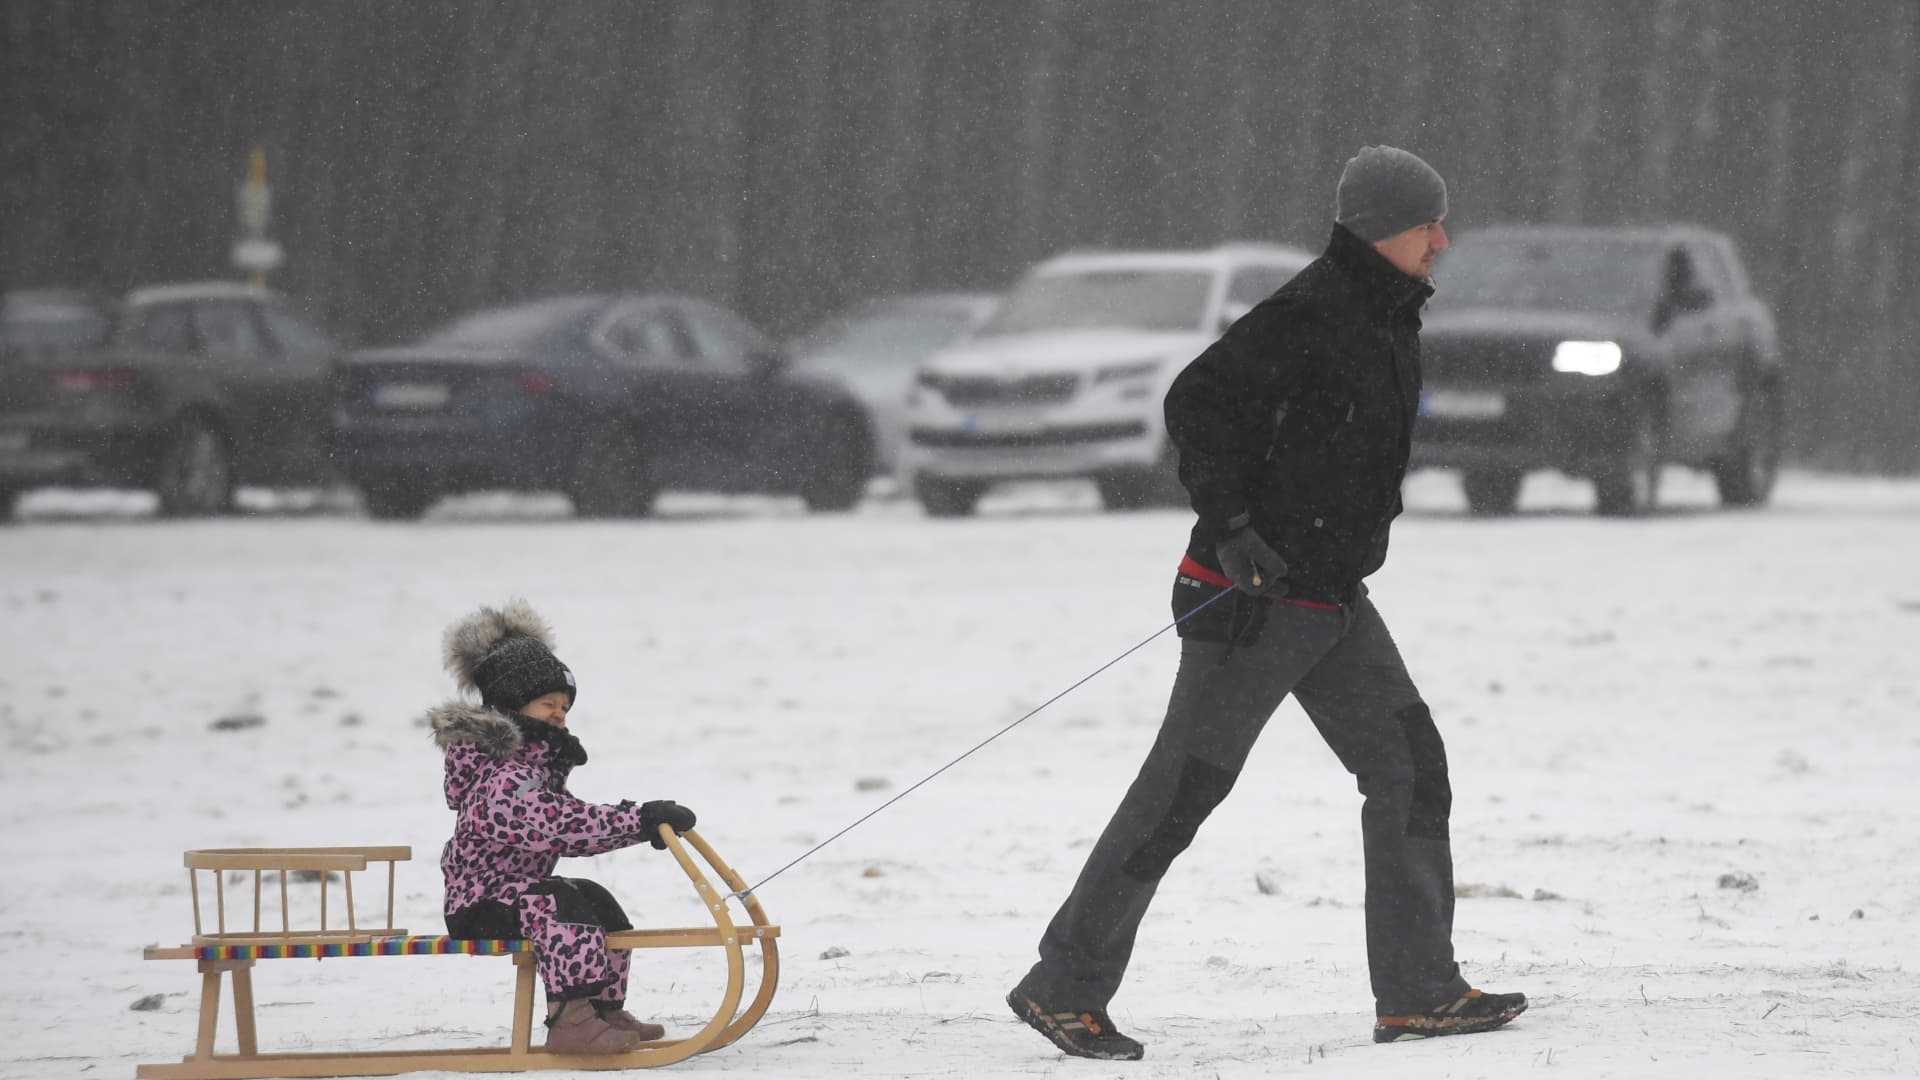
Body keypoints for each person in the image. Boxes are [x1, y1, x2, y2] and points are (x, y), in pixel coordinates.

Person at [1007, 146, 1526, 1059]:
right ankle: (1064, 986)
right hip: (1251, 598)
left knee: (1409, 767)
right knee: (1182, 792)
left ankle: (1418, 993)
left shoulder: (1386, 312)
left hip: (1330, 597)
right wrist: (1236, 524)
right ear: (1380, 228)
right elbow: (1196, 403)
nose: (1443, 240)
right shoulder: (1313, 310)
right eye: (1427, 223)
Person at [427, 599, 699, 1056]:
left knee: (594, 899)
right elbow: (561, 826)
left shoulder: (531, 771)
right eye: (548, 703)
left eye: (565, 706)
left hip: (516, 891)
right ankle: (570, 1020)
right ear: (512, 707)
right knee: (559, 904)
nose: (559, 714)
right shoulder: (502, 778)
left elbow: (573, 821)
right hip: (480, 903)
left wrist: (638, 823)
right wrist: (638, 819)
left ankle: (601, 1010)